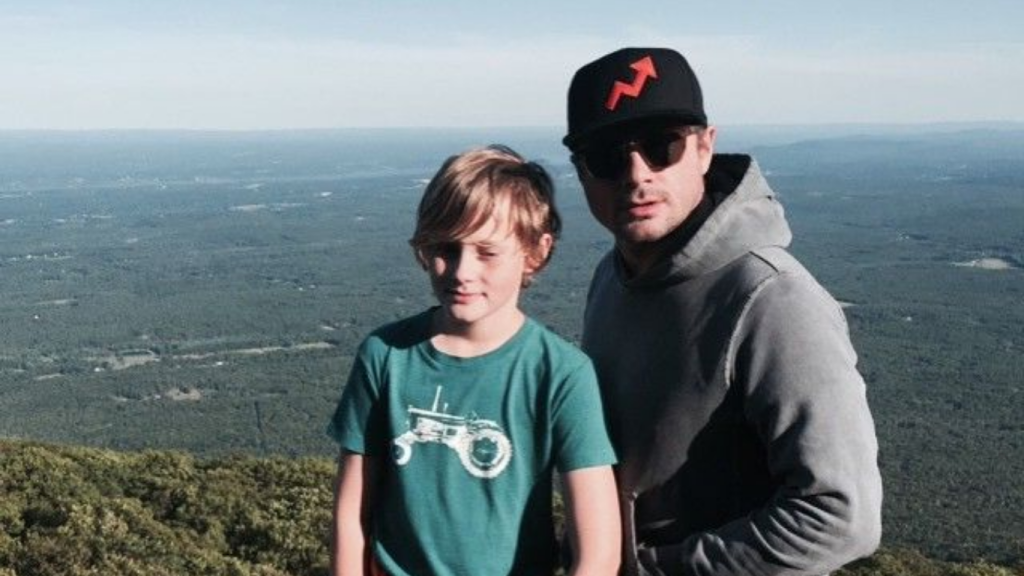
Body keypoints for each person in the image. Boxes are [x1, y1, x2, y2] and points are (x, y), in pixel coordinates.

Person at [562, 47, 883, 576]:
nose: (636, 174)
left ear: (705, 148)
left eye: (663, 146)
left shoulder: (772, 298)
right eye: (606, 156)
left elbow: (841, 515)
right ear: (581, 172)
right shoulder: (613, 277)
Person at [327, 145, 621, 576]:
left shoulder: (561, 374)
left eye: (487, 252)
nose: (462, 271)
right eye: (446, 248)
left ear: (535, 251)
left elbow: (599, 553)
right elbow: (351, 514)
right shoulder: (385, 355)